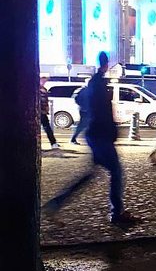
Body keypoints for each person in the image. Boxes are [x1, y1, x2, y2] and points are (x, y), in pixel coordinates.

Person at [43, 52, 139, 225]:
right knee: (116, 172)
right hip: (100, 135)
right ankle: (116, 213)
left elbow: (82, 100)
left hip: (95, 134)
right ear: (106, 64)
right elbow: (103, 112)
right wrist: (111, 132)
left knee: (91, 175)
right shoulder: (99, 83)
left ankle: (55, 204)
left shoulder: (94, 83)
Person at [39, 76, 59, 149]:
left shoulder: (43, 89)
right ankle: (53, 142)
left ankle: (53, 142)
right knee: (46, 127)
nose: (44, 82)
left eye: (45, 81)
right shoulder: (39, 90)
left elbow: (45, 100)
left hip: (42, 111)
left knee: (47, 127)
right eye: (43, 81)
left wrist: (46, 108)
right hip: (40, 111)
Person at [70, 78, 91, 145]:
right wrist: (84, 105)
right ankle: (73, 139)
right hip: (86, 110)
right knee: (83, 125)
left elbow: (77, 99)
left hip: (84, 109)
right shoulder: (85, 90)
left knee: (84, 125)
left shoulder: (84, 90)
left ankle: (73, 139)